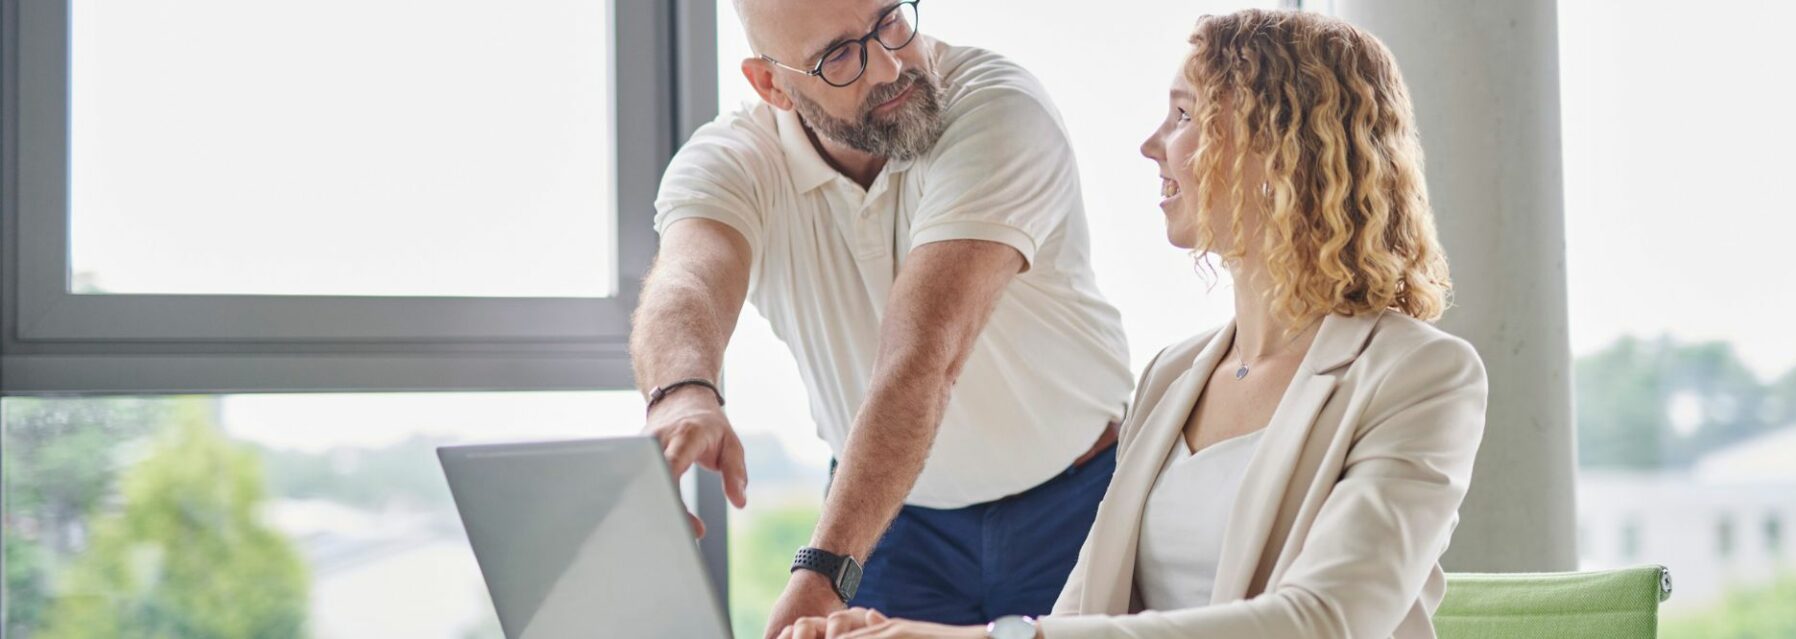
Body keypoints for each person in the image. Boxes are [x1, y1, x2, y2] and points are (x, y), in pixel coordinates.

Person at [777, 8, 1488, 639]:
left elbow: (1327, 619)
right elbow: (1080, 615)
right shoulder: (1172, 376)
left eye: (1184, 115)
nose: (1153, 145)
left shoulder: (1421, 376)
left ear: (1282, 149)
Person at [627, 0, 1134, 635]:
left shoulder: (998, 108)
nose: (890, 65)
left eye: (890, 18)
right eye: (839, 55)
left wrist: (817, 574)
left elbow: (925, 357)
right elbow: (687, 279)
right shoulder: (734, 160)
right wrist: (682, 392)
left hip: (1078, 501)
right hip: (889, 517)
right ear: (771, 84)